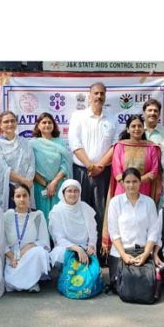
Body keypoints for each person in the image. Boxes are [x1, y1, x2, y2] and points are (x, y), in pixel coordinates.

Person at [101, 115, 162, 252]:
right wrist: (130, 183)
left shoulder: (151, 147)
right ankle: (117, 251)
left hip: (144, 190)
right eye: (133, 126)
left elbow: (154, 171)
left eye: (139, 126)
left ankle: (143, 250)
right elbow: (117, 172)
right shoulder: (120, 146)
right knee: (120, 220)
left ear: (143, 128)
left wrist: (137, 182)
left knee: (140, 220)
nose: (136, 129)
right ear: (128, 129)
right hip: (122, 189)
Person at [68, 82, 116, 253]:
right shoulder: (78, 116)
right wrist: (90, 165)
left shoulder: (112, 118)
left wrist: (99, 166)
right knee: (80, 211)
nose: (98, 96)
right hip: (81, 171)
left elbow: (114, 146)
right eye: (95, 93)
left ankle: (99, 252)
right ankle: (79, 250)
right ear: (89, 96)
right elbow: (74, 143)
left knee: (101, 212)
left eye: (102, 93)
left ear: (105, 96)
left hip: (103, 173)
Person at [106, 168, 160, 290]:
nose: (131, 185)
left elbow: (153, 231)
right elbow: (113, 232)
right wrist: (124, 255)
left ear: (140, 182)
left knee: (145, 286)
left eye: (135, 181)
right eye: (128, 182)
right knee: (118, 286)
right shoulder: (115, 202)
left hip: (142, 251)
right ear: (122, 183)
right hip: (120, 252)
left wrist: (146, 254)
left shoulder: (149, 202)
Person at [3, 184, 51, 292]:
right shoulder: (7, 216)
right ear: (13, 199)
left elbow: (45, 242)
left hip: (29, 256)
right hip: (12, 258)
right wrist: (11, 256)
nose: (22, 199)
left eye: (25, 196)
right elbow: (1, 241)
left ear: (30, 198)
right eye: (18, 196)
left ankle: (31, 282)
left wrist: (29, 246)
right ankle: (14, 281)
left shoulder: (37, 215)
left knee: (39, 252)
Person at [0, 110, 36, 210]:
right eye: (6, 122)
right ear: (0, 125)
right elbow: (2, 168)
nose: (10, 124)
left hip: (25, 187)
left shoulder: (25, 142)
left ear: (16, 123)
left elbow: (31, 164)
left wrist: (26, 183)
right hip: (7, 188)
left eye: (12, 121)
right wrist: (22, 180)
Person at [30, 112, 72, 221]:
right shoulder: (32, 144)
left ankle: (58, 238)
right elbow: (30, 167)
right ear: (38, 126)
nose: (47, 125)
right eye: (44, 122)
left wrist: (54, 183)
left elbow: (65, 164)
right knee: (42, 216)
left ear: (53, 125)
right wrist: (46, 184)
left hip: (58, 184)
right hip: (40, 185)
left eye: (50, 122)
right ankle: (44, 238)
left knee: (59, 216)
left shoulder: (61, 143)